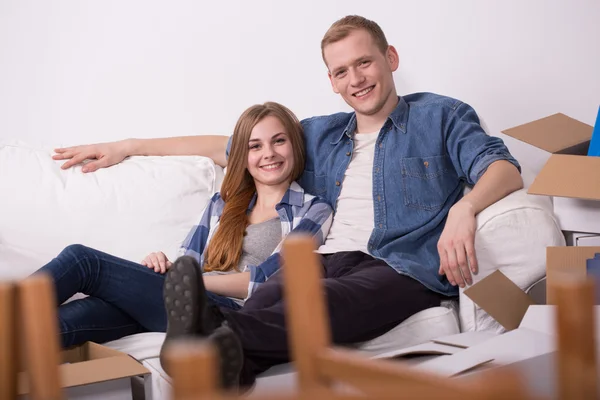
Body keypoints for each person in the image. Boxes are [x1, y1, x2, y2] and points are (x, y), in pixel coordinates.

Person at [53, 15, 524, 389]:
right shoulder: (320, 135)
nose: (356, 79)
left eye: (365, 62)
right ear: (332, 81)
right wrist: (129, 145)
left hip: (398, 266)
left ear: (391, 58)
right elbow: (234, 145)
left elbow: (502, 168)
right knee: (272, 298)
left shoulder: (440, 115)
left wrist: (465, 209)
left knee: (322, 300)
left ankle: (206, 344)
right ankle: (221, 356)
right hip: (320, 259)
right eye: (342, 71)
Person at [35, 101, 333, 351]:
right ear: (242, 156)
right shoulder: (223, 204)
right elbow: (188, 261)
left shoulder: (313, 210)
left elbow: (267, 282)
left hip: (231, 314)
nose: (268, 153)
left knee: (82, 261)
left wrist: (185, 282)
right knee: (69, 321)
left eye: (278, 141)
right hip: (184, 300)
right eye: (255, 146)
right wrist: (165, 269)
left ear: (295, 145)